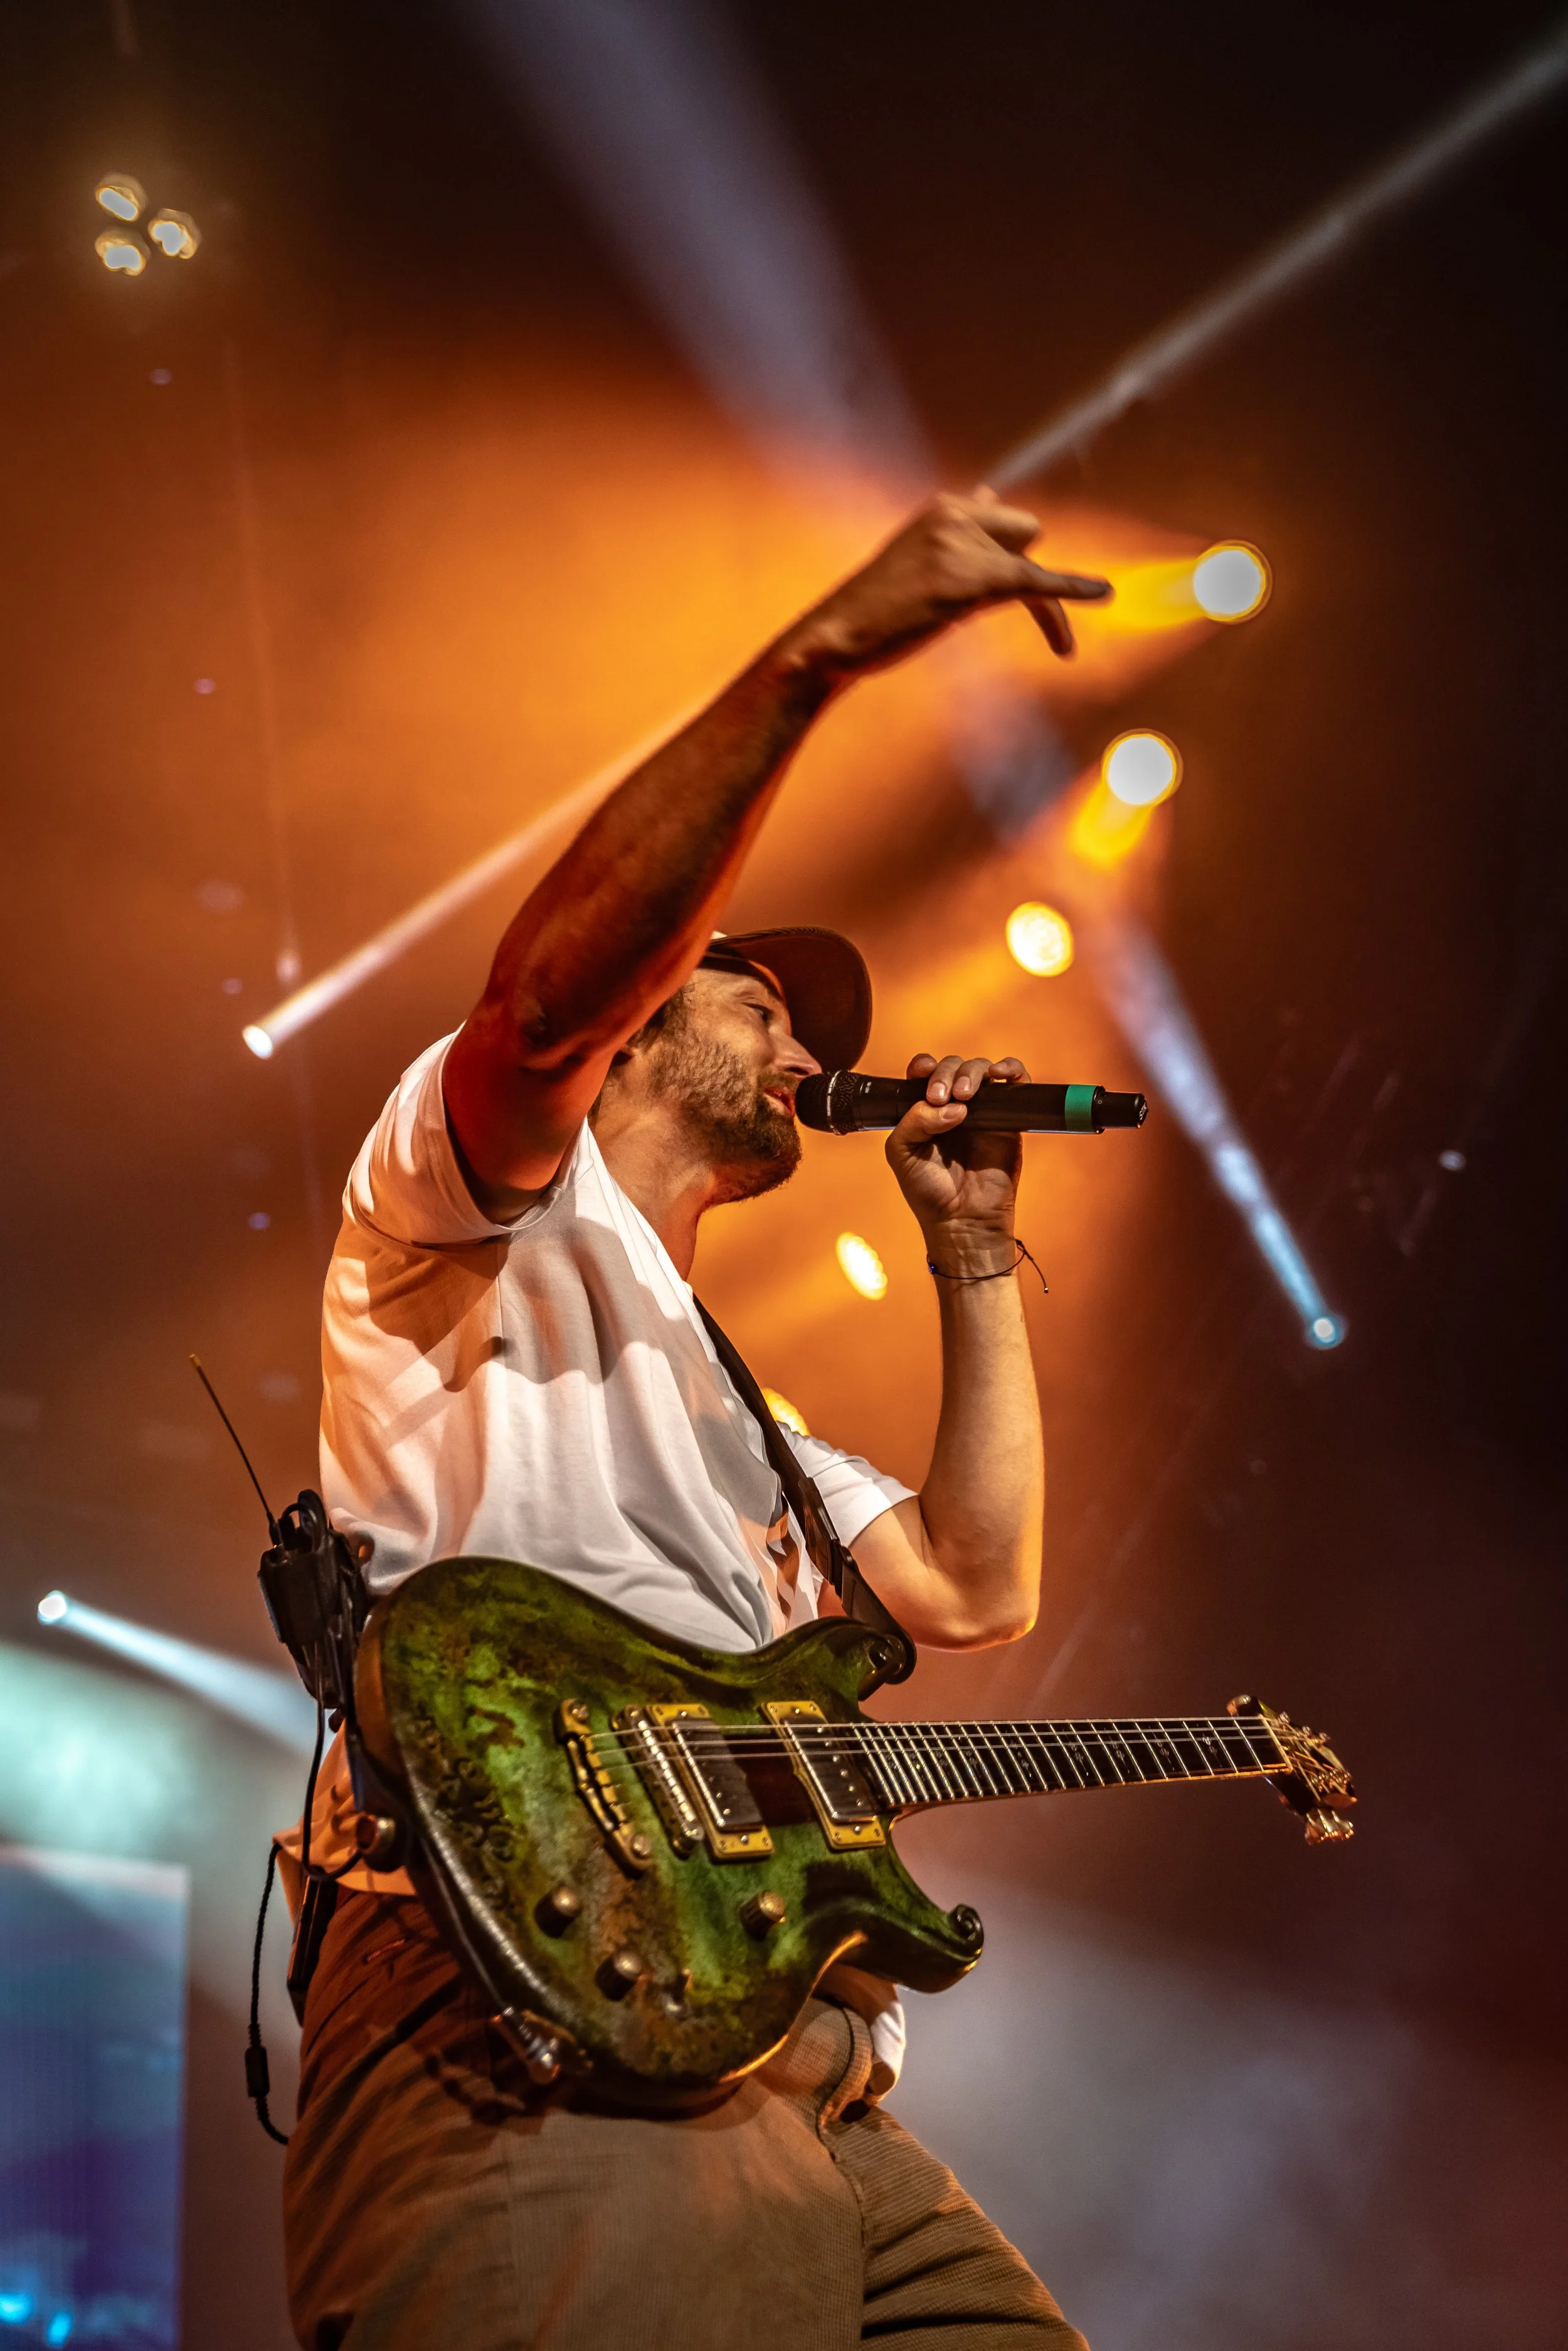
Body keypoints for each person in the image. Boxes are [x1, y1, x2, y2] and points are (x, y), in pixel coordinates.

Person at [278, 491, 1110, 2349]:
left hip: (801, 2069)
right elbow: (541, 991)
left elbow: (975, 1583)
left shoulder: (751, 1408)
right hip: (538, 2006)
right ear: (646, 1017)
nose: (805, 1042)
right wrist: (821, 653)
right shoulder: (467, 1199)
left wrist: (972, 1254)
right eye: (757, 992)